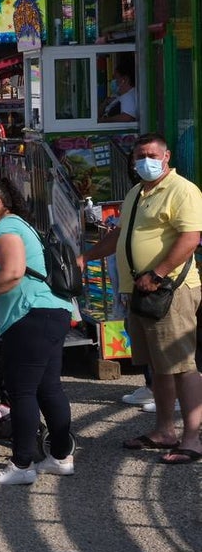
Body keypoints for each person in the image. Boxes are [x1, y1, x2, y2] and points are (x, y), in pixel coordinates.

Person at [79, 133, 202, 462]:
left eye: (150, 154)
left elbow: (191, 238)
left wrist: (158, 273)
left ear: (166, 156)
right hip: (141, 291)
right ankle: (165, 431)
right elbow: (120, 234)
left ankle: (192, 438)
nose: (143, 161)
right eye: (138, 156)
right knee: (159, 367)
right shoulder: (137, 192)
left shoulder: (182, 190)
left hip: (169, 291)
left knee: (183, 366)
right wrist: (86, 256)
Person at [0, 178, 76, 484]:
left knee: (23, 391)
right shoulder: (18, 225)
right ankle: (60, 456)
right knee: (48, 387)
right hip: (48, 312)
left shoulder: (6, 229)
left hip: (31, 317)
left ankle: (22, 465)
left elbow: (13, 272)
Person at [100, 54, 138, 123]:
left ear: (125, 79)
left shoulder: (128, 96)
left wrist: (105, 120)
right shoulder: (118, 96)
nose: (114, 82)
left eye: (116, 78)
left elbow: (127, 117)